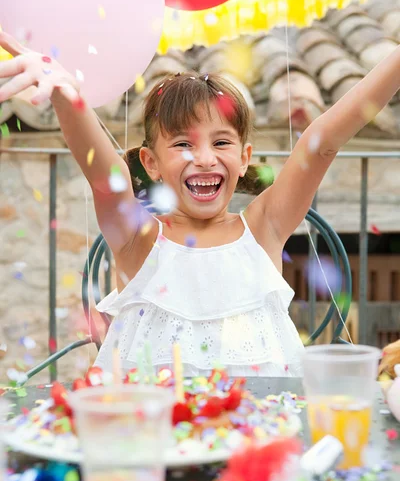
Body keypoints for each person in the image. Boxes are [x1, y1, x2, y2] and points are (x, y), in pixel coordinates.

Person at [1, 33, 399, 378]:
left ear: (245, 158)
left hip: (261, 439)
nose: (205, 158)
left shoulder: (264, 229)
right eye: (183, 144)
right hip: (151, 436)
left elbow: (324, 139)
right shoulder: (137, 242)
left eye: (221, 142)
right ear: (151, 164)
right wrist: (68, 97)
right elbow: (106, 178)